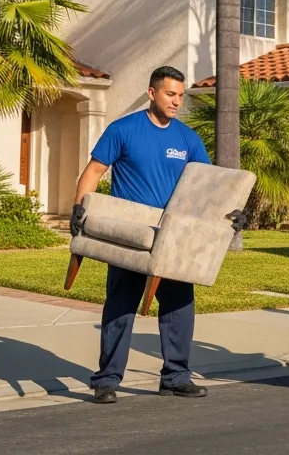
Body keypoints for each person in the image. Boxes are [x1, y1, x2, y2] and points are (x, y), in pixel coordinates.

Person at [72, 66, 211, 403]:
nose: (177, 101)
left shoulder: (187, 138)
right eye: (170, 94)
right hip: (132, 236)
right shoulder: (123, 130)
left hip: (173, 236)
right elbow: (93, 172)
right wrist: (79, 208)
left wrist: (230, 213)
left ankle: (176, 377)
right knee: (121, 306)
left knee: (179, 307)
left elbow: (210, 184)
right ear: (152, 93)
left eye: (180, 95)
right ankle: (106, 380)